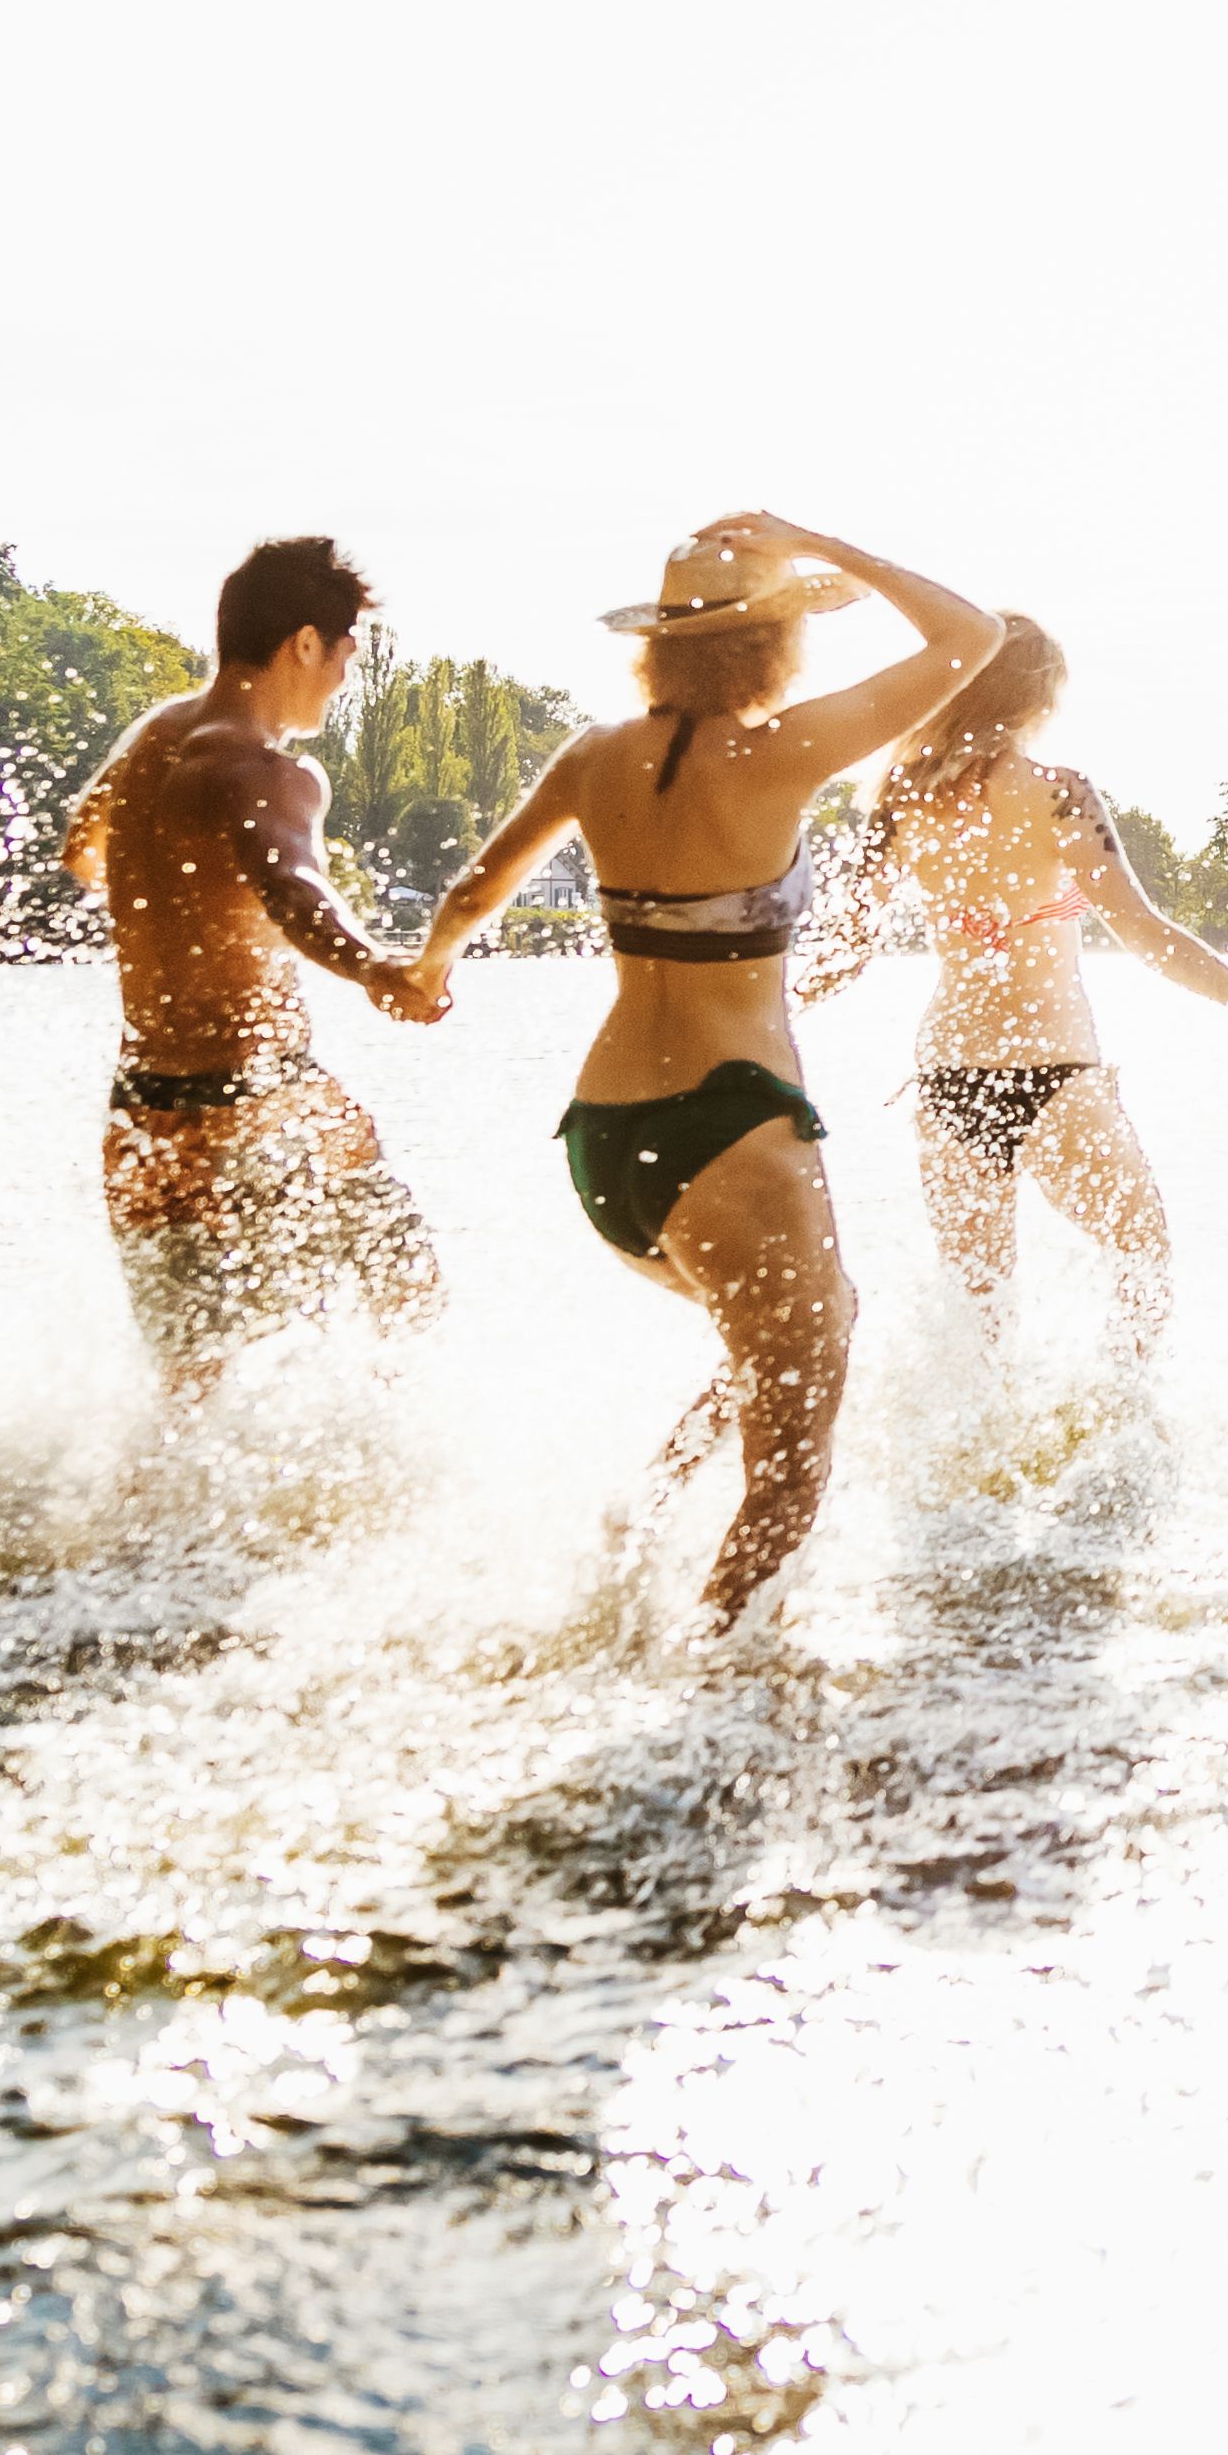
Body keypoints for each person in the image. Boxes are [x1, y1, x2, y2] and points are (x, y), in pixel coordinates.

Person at [415, 516, 999, 1626]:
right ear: (770, 645)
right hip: (732, 1128)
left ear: (661, 648)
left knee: (804, 1323)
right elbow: (972, 636)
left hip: (603, 1139)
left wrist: (424, 973)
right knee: (792, 1472)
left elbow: (473, 895)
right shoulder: (782, 751)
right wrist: (821, 544)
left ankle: (631, 1539)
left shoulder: (592, 757)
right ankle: (716, 1683)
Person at [828, 613, 1228, 1338]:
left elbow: (842, 948)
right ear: (1037, 699)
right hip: (1054, 1067)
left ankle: (978, 1417)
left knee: (978, 1310)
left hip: (949, 1073)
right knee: (1142, 1256)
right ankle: (1122, 1403)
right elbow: (1149, 937)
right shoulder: (1058, 793)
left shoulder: (902, 798)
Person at [59, 533, 447, 1392]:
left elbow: (81, 850)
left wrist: (177, 902)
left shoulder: (157, 736)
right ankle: (392, 1468)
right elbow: (295, 891)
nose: (343, 679)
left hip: (144, 1113)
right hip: (261, 1101)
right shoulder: (266, 771)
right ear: (305, 643)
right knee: (407, 1297)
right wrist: (376, 968)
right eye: (345, 655)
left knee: (191, 1386)